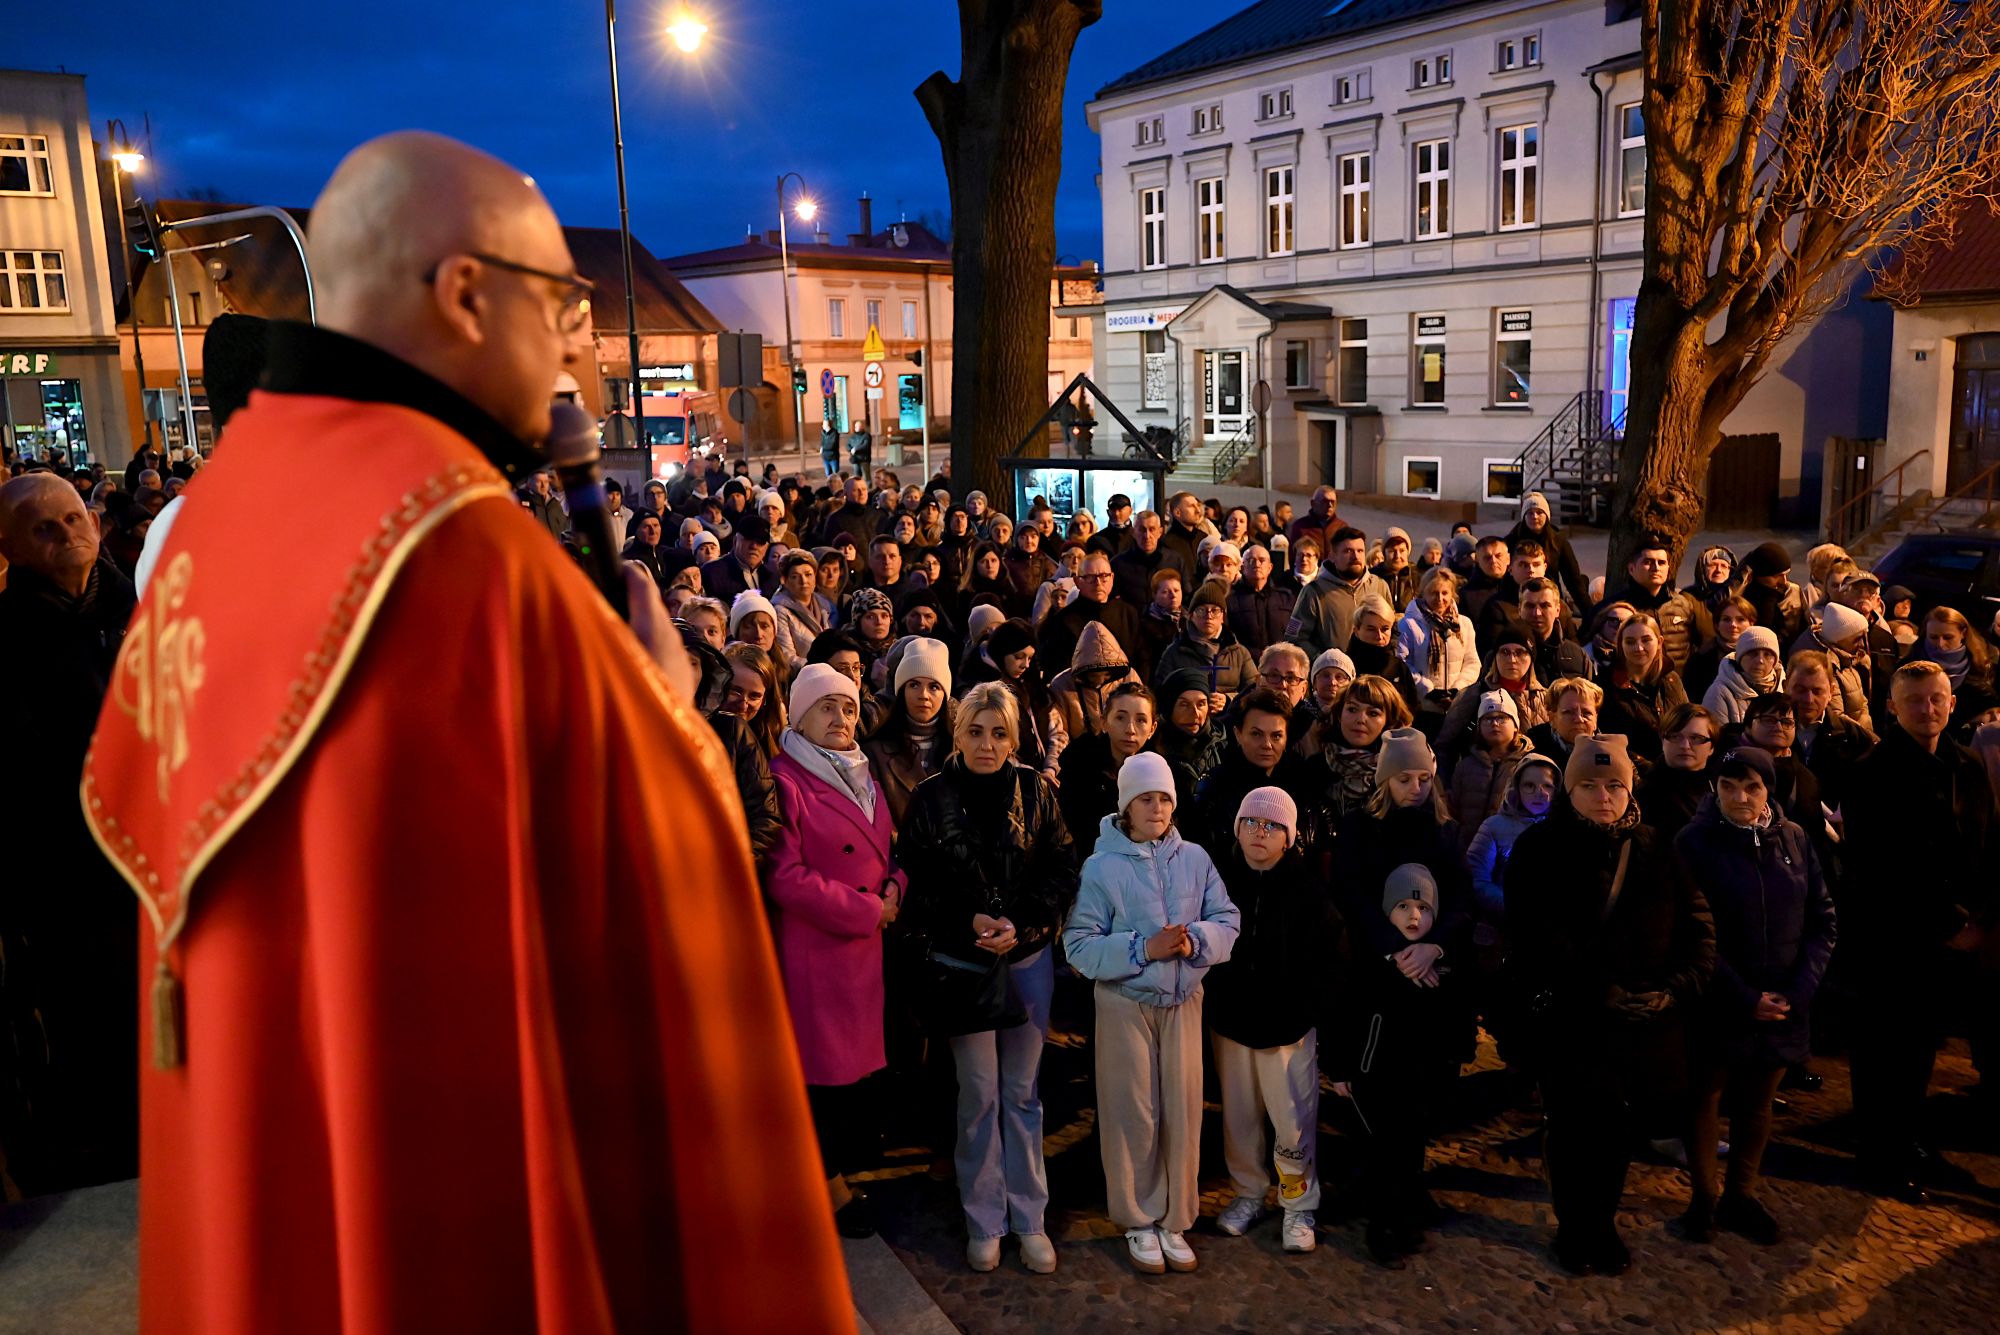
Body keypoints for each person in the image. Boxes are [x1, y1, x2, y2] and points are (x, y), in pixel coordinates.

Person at [78, 133, 849, 1329]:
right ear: (465, 293)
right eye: (563, 304)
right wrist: (665, 707)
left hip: (273, 1127)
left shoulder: (222, 516)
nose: (579, 347)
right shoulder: (456, 548)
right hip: (448, 1170)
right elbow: (648, 894)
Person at [1505, 735, 1715, 1276]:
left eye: (1615, 785)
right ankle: (1575, 1226)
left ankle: (1602, 1223)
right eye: (1591, 785)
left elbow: (1696, 924)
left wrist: (1677, 987)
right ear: (1570, 790)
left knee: (1618, 1128)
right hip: (1570, 1020)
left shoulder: (1657, 848)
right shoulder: (1539, 848)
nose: (1604, 796)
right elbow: (1535, 935)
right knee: (1573, 1126)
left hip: (1638, 1025)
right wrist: (1598, 989)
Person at [898, 682, 1076, 1275]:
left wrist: (1022, 925)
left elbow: (1061, 867)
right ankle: (985, 1220)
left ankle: (1029, 1217)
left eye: (999, 734)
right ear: (958, 734)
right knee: (977, 1094)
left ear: (1014, 739)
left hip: (1026, 960)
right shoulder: (930, 797)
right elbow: (917, 884)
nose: (987, 744)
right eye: (975, 731)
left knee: (1022, 1092)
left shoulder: (1036, 791)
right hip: (964, 965)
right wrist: (965, 922)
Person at [0, 473, 139, 1195]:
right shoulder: (8, 637)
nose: (66, 533)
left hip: (158, 855)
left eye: (72, 517)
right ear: (11, 550)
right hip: (70, 869)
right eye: (42, 528)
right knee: (95, 1020)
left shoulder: (140, 606)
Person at [1063, 753, 1240, 1276]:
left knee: (1182, 1111)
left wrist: (1196, 940)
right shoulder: (1101, 867)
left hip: (1183, 1004)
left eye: (1164, 798)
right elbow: (1079, 944)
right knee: (1132, 1112)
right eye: (1146, 799)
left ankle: (1175, 1218)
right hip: (1126, 1004)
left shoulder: (1196, 859)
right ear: (1126, 806)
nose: (1157, 808)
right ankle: (1138, 1217)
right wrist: (1143, 949)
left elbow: (1226, 919)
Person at [1843, 661, 1996, 1201]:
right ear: (1892, 707)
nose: (1927, 709)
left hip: (1956, 935)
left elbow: (1986, 843)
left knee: (1922, 1048)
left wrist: (1981, 917)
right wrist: (1951, 924)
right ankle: (1880, 1155)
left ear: (1952, 703)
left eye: (1936, 699)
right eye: (1914, 700)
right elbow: (1883, 866)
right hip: (1895, 938)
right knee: (1886, 1052)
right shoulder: (1871, 772)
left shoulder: (1967, 763)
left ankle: (1908, 1140)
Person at [1672, 744, 1836, 1245]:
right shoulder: (1694, 842)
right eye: (1728, 787)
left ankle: (1740, 1195)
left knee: (1757, 1103)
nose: (1740, 798)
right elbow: (1689, 929)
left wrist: (1797, 992)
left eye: (1751, 787)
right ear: (1714, 789)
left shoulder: (1794, 839)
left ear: (1769, 790)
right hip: (1719, 1000)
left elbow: (1822, 920)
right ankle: (1704, 1198)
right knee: (1705, 1097)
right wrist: (1744, 997)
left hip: (1783, 1001)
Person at [768, 663, 905, 1241]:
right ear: (799, 715)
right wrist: (867, 910)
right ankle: (827, 1189)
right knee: (821, 1081)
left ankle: (833, 1176)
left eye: (848, 708)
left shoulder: (862, 772)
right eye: (826, 707)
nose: (840, 718)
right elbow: (786, 876)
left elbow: (887, 852)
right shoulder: (785, 779)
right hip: (818, 953)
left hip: (863, 951)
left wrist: (896, 887)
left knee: (849, 1082)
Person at [1206, 788, 1339, 1255]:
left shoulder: (1308, 892)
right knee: (1239, 1117)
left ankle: (1297, 1202)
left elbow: (1328, 963)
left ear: (1289, 837)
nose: (1259, 833)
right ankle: (1248, 1192)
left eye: (1271, 826)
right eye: (1251, 823)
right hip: (1232, 1024)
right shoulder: (1219, 883)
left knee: (1292, 1120)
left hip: (1286, 1029)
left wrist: (1307, 1013)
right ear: (1237, 829)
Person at [1326, 863, 1468, 1266]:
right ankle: (1383, 1227)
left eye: (1423, 909)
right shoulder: (1370, 964)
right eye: (1403, 907)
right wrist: (1340, 1067)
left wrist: (1457, 1054)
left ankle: (1405, 1216)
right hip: (1378, 1076)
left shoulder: (1443, 968)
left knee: (1410, 1150)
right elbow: (1346, 1015)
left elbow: (1457, 1016)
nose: (1414, 916)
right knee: (1383, 1151)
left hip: (1423, 1078)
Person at [1058, 683, 1177, 861]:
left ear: (1152, 728)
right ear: (1104, 722)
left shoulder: (1162, 774)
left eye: (1141, 720)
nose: (1130, 730)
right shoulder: (1079, 769)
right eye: (1120, 718)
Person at [1466, 754, 1561, 974]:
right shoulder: (1494, 826)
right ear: (1516, 788)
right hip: (1502, 929)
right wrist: (1515, 907)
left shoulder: (1564, 831)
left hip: (1552, 933)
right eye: (1529, 785)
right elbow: (1476, 878)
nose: (1539, 793)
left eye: (1547, 785)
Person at [1191, 688, 1313, 856]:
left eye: (1276, 736)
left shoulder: (1304, 782)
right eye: (1256, 734)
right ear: (1238, 734)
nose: (1267, 744)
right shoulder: (1215, 786)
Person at [862, 638, 955, 826]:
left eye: (934, 687)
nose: (923, 695)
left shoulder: (961, 750)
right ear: (901, 690)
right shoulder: (874, 753)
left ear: (945, 694)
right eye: (914, 684)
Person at [1600, 534, 1713, 676]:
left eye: (1661, 563)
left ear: (1668, 568)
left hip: (1680, 683)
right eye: (1648, 562)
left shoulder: (1684, 604)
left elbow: (1706, 643)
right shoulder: (1616, 609)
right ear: (1631, 569)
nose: (1656, 568)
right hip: (1635, 684)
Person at [1445, 692, 1536, 855]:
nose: (1494, 723)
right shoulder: (1466, 766)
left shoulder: (1527, 765)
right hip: (1466, 850)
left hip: (1510, 852)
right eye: (1487, 718)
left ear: (1516, 725)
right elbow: (1452, 809)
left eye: (1502, 718)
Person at [1287, 526, 1390, 662]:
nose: (1355, 556)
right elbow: (1294, 637)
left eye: (1360, 551)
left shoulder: (1379, 586)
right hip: (1332, 672)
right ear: (1333, 556)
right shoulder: (1314, 591)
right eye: (1348, 551)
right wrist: (1323, 660)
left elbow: (1393, 628)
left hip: (1375, 669)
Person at [1600, 611, 1690, 765]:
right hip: (1631, 771)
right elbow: (1609, 741)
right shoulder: (1606, 685)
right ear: (1620, 645)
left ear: (1659, 642)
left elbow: (1688, 723)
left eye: (1646, 640)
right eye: (1630, 642)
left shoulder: (1671, 679)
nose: (1639, 648)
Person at [1153, 578, 1256, 710]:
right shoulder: (1175, 652)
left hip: (1230, 719)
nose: (1209, 616)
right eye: (1201, 610)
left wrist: (1229, 699)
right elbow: (1161, 693)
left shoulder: (1239, 653)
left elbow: (1254, 691)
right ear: (1191, 615)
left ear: (1223, 616)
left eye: (1215, 610)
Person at [1395, 566, 1479, 725]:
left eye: (1445, 593)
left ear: (1452, 594)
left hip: (1456, 706)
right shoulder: (1409, 624)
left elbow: (1472, 662)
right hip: (1422, 706)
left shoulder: (1463, 624)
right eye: (1433, 593)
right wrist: (1428, 690)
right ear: (1423, 593)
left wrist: (1457, 689)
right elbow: (1402, 663)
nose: (1440, 598)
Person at [1039, 550, 1143, 673]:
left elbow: (1140, 658)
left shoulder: (1128, 613)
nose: (1098, 583)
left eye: (1104, 576)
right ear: (1077, 582)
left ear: (1112, 578)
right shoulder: (1063, 621)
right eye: (1090, 577)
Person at [1635, 703, 1722, 842]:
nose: (1685, 746)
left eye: (1696, 738)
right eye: (1675, 736)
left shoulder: (1723, 787)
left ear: (1712, 747)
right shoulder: (1647, 795)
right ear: (1663, 741)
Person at [1050, 620, 1143, 746]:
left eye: (1107, 675)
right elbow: (1058, 734)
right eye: (1093, 675)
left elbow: (1141, 717)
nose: (1100, 680)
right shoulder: (1062, 685)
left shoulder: (1128, 677)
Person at [1507, 491, 1590, 610]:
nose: (1534, 516)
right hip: (1517, 599)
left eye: (1539, 512)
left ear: (1547, 515)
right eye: (1529, 513)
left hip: (1550, 598)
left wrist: (1589, 612)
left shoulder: (1558, 541)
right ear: (1523, 517)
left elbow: (1573, 580)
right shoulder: (1511, 540)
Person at [1346, 592, 1422, 716]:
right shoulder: (1347, 665)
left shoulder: (1398, 666)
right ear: (1356, 630)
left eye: (1385, 629)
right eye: (1371, 629)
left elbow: (1413, 708)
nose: (1379, 636)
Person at [1703, 624, 1784, 725]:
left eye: (1767, 655)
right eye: (1753, 653)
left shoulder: (1785, 688)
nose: (1760, 660)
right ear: (1740, 658)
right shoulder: (1718, 693)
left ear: (1775, 661)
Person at [1228, 542, 1297, 659]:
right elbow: (1229, 636)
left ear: (1270, 567)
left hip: (1282, 660)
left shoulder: (1286, 597)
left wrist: (1288, 648)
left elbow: (1296, 627)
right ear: (1242, 567)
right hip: (1246, 662)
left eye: (1262, 560)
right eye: (1251, 560)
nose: (1257, 564)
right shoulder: (1231, 599)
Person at [722, 642, 786, 762]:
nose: (743, 705)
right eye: (735, 691)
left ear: (765, 699)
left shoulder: (777, 743)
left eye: (754, 696)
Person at [772, 549, 830, 671]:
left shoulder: (823, 605)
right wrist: (819, 668)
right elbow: (787, 656)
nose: (804, 581)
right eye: (795, 576)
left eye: (808, 574)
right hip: (804, 673)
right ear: (785, 581)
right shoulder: (780, 610)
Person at [1740, 542, 1808, 645]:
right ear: (1761, 575)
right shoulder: (1746, 599)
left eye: (1786, 574)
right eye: (1777, 576)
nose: (1784, 581)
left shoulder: (1791, 591)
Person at [1528, 676, 1603, 766]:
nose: (1579, 719)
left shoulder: (1608, 752)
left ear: (1596, 718)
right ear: (1552, 718)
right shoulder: (1533, 752)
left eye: (1587, 713)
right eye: (1569, 712)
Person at [1371, 526, 1420, 611]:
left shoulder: (1418, 577)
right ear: (1384, 553)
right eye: (1392, 551)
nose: (1397, 556)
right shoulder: (1373, 576)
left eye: (1402, 551)